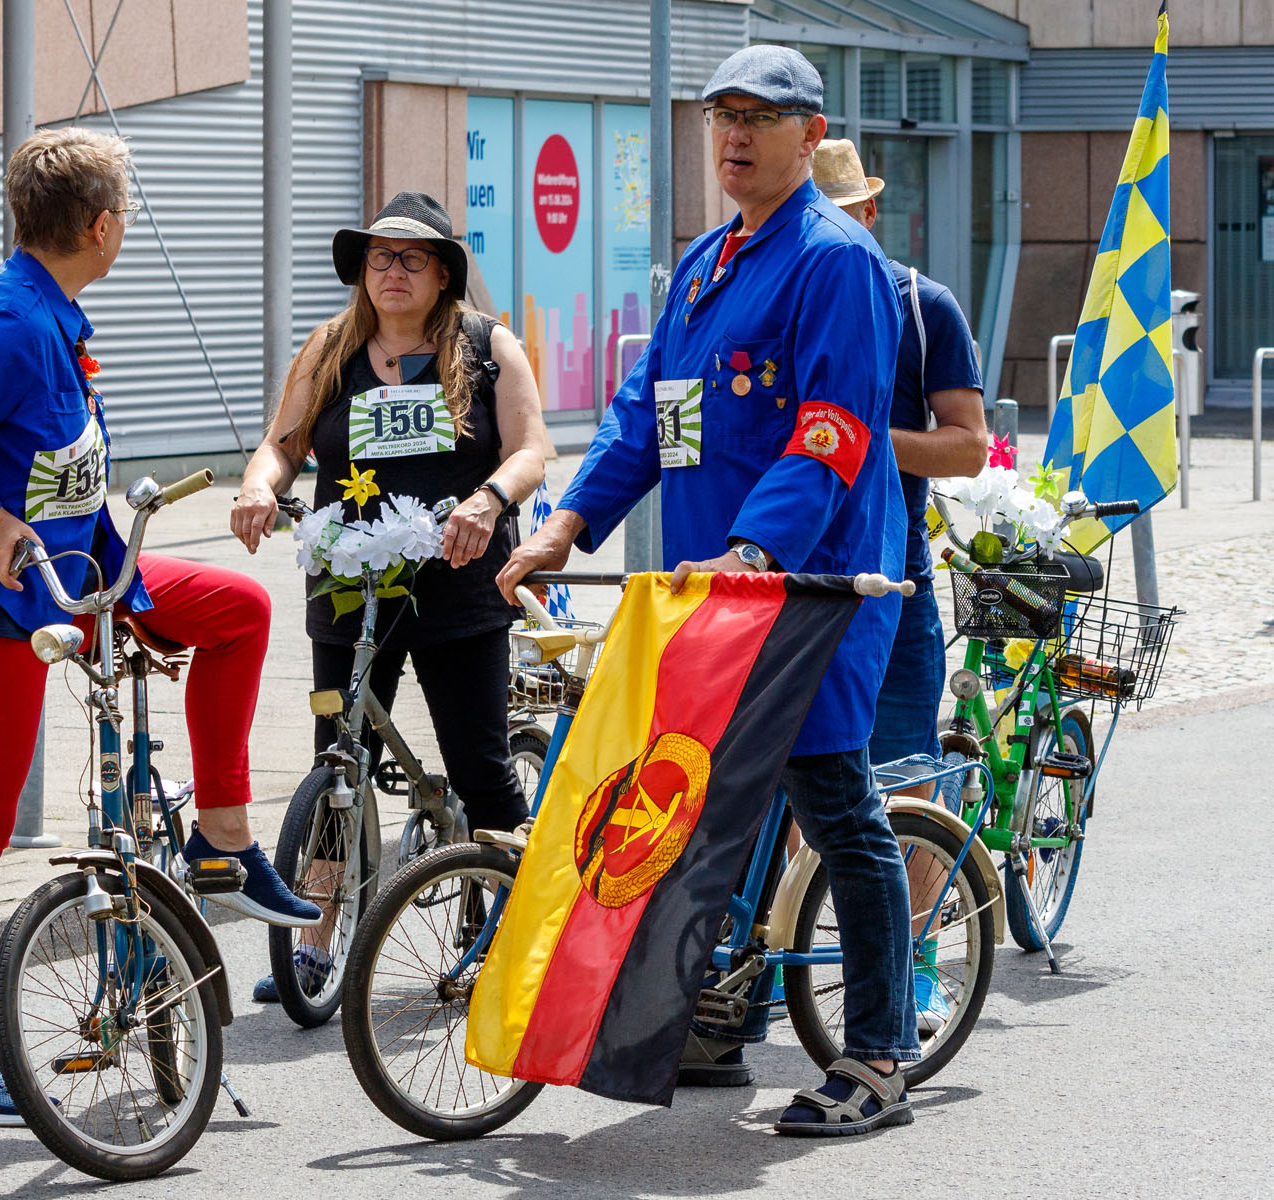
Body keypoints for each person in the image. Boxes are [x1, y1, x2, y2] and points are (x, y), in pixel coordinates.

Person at [498, 46, 918, 1136]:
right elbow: (647, 415)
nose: (734, 136)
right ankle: (714, 1019)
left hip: (809, 585)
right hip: (704, 595)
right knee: (688, 801)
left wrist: (753, 551)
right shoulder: (701, 264)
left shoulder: (834, 262)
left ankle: (877, 1056)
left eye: (759, 118)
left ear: (808, 131)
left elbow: (832, 432)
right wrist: (569, 524)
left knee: (836, 808)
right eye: (720, 116)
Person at [0, 127, 318, 1127]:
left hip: (71, 579)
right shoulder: (14, 325)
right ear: (102, 225)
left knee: (238, 610)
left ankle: (223, 840)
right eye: (130, 214)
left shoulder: (48, 310)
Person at [232, 191, 547, 995]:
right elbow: (281, 445)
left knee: (479, 765)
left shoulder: (486, 347)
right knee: (340, 761)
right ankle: (319, 935)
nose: (393, 271)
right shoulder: (331, 348)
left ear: (443, 274)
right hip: (350, 584)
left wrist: (488, 500)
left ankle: (522, 928)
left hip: (459, 579)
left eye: (411, 258)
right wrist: (259, 488)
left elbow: (531, 450)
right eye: (380, 257)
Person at [813, 138, 988, 1033]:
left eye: (839, 218)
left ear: (869, 215)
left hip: (897, 586)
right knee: (787, 789)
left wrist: (856, 440)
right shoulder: (773, 291)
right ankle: (780, 967)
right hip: (792, 586)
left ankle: (914, 969)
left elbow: (969, 444)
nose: (824, 240)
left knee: (906, 787)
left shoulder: (926, 306)